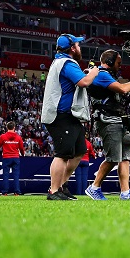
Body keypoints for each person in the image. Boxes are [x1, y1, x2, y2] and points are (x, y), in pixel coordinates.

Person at [84, 49, 130, 201]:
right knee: (113, 158)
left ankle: (125, 192)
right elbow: (123, 88)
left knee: (125, 157)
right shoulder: (101, 74)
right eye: (118, 63)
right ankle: (94, 187)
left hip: (119, 119)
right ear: (109, 62)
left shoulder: (108, 76)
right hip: (108, 120)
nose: (120, 66)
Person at [41, 34, 98, 200]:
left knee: (79, 151)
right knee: (62, 153)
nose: (80, 48)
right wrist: (94, 72)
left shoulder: (61, 62)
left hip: (68, 115)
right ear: (72, 48)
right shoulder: (67, 62)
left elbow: (78, 79)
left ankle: (62, 186)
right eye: (78, 45)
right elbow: (84, 82)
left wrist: (86, 74)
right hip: (61, 115)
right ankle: (54, 191)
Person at [0, 121, 24, 195]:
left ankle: (5, 192)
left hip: (6, 158)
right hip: (15, 157)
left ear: (7, 127)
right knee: (16, 175)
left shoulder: (3, 136)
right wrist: (23, 154)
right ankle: (17, 192)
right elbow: (21, 148)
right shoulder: (18, 137)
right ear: (14, 128)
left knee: (6, 175)